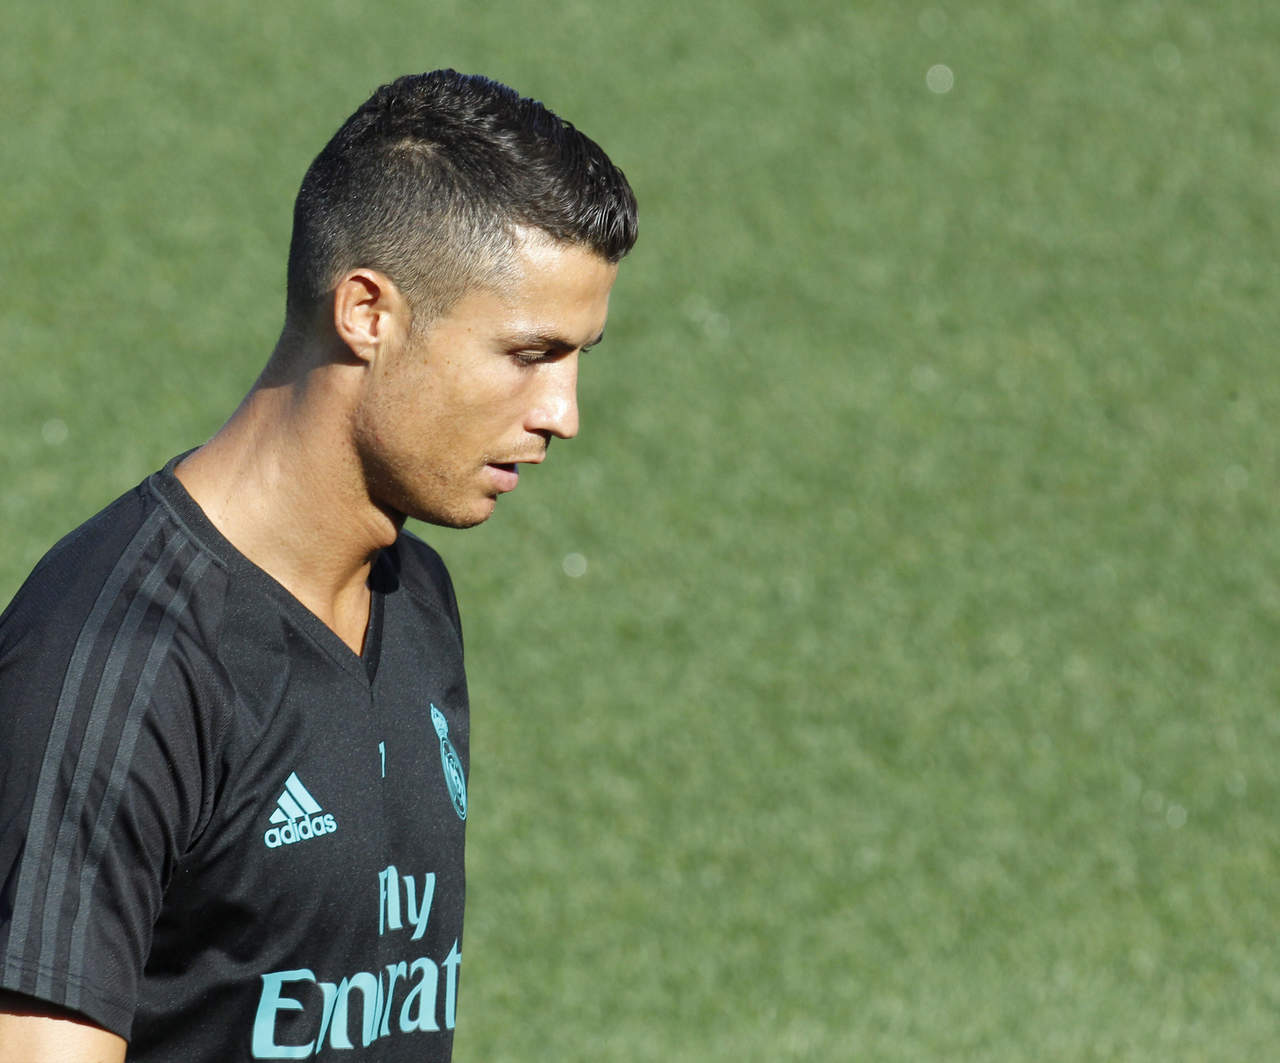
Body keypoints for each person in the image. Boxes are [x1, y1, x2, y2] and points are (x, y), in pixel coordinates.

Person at [0, 70, 637, 1061]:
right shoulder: (120, 662)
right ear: (368, 313)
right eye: (528, 354)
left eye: (577, 357)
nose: (563, 412)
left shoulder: (413, 597)